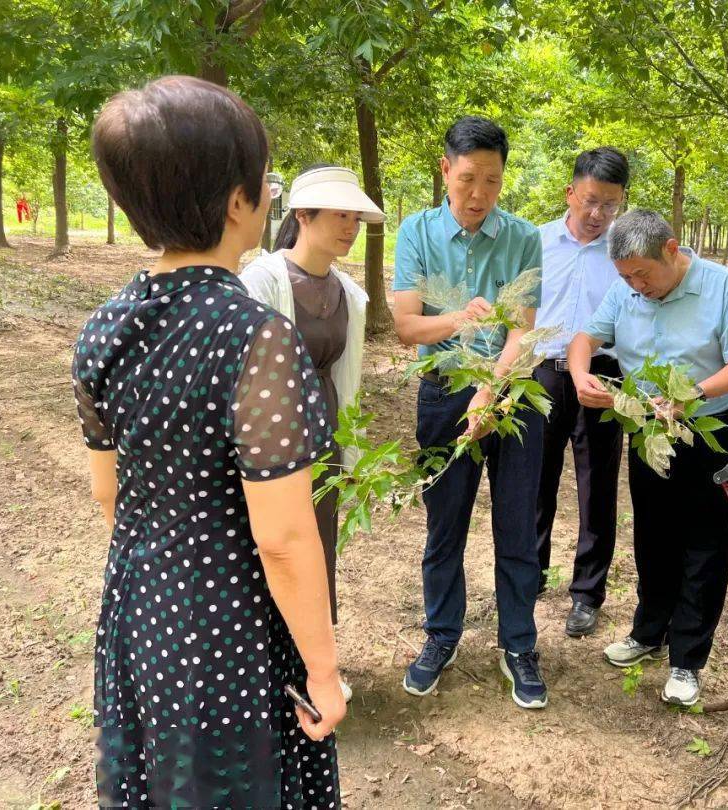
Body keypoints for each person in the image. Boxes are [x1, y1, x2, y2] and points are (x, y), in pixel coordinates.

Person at [74, 76, 345, 807]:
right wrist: (323, 669)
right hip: (233, 626)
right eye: (264, 179)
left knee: (162, 780)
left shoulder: (103, 328)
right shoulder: (255, 336)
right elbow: (284, 536)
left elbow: (110, 493)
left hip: (141, 608)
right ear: (237, 201)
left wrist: (167, 578)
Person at [568, 209, 728, 707]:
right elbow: (587, 337)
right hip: (650, 430)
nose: (635, 286)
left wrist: (690, 396)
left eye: (642, 275)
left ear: (672, 251)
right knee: (653, 532)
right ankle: (648, 632)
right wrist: (580, 374)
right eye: (625, 277)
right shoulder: (626, 289)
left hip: (709, 429)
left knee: (706, 541)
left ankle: (687, 658)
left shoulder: (724, 288)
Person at [392, 116, 548, 709]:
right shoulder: (417, 233)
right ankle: (441, 636)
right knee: (445, 523)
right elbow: (408, 325)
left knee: (516, 526)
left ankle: (519, 645)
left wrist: (490, 388)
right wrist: (460, 320)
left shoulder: (524, 238)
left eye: (491, 180)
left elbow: (523, 333)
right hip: (441, 391)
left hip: (511, 396)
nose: (478, 194)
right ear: (445, 172)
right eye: (466, 180)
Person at [241, 165, 380, 638]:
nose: (350, 228)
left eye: (356, 219)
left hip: (324, 435)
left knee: (318, 543)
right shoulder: (261, 281)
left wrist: (353, 449)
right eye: (341, 215)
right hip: (270, 436)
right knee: (268, 542)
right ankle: (262, 656)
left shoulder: (351, 295)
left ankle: (309, 656)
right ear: (303, 214)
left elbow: (349, 377)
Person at [533, 147, 629, 637]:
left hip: (603, 375)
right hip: (544, 373)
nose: (597, 215)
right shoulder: (535, 242)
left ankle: (588, 594)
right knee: (536, 481)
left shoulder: (624, 251)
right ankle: (528, 577)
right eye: (590, 201)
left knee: (597, 487)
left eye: (609, 205)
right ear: (570, 192)